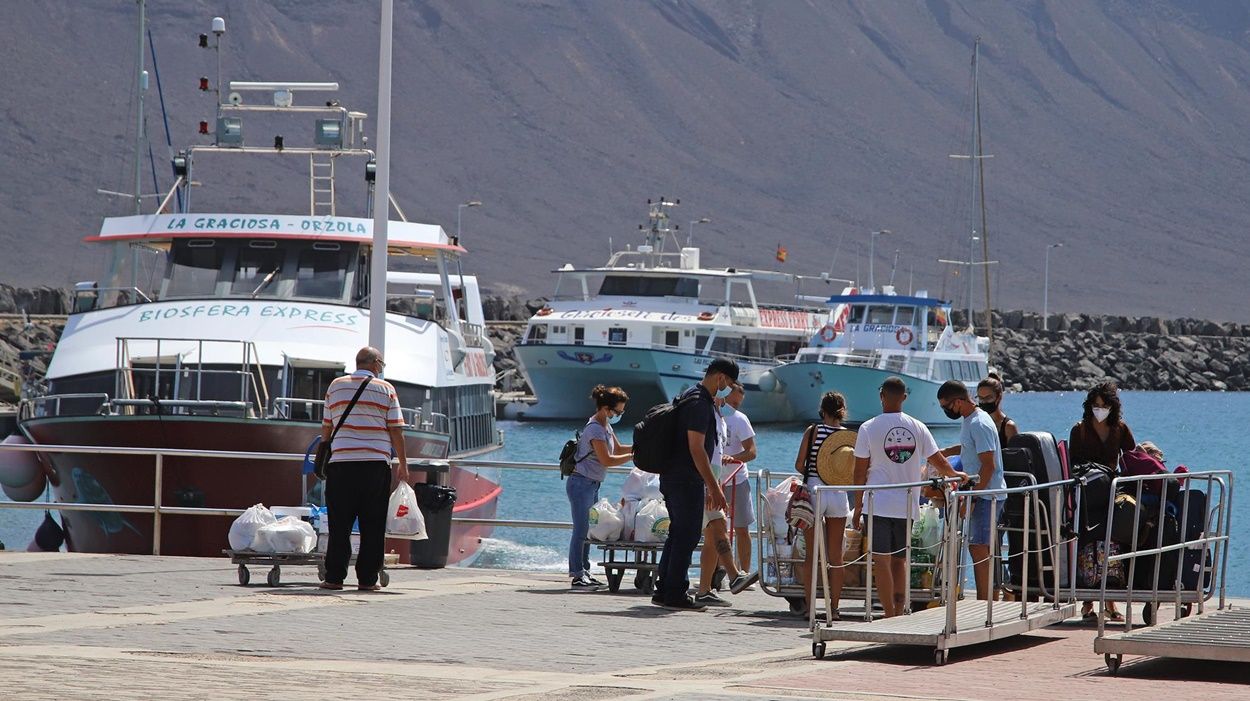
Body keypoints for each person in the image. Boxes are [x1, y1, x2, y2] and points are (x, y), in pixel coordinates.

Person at [853, 377, 964, 617]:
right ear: (904, 397)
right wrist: (956, 474)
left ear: (881, 395)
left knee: (881, 561)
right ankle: (901, 609)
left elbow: (859, 472)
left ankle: (889, 614)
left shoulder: (868, 427)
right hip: (907, 505)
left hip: (877, 504)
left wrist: (856, 507)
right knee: (900, 561)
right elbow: (939, 461)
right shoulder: (918, 426)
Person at [319, 347, 409, 591]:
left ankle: (334, 578)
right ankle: (367, 580)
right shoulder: (386, 389)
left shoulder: (335, 386)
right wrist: (402, 462)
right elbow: (396, 430)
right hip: (374, 467)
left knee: (339, 524)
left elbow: (326, 428)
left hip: (341, 466)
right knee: (373, 524)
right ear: (376, 363)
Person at [653, 359, 736, 611]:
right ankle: (676, 593)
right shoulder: (700, 403)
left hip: (672, 474)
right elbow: (696, 448)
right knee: (687, 535)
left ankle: (664, 589)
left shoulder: (688, 395)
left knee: (678, 532)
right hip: (686, 477)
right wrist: (713, 486)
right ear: (720, 378)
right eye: (729, 384)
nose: (728, 390)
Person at [1070, 380, 1135, 621]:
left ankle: (1110, 601)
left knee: (1111, 542)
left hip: (1111, 492)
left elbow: (1130, 456)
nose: (1099, 409)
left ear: (1112, 406)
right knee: (1086, 543)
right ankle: (1088, 603)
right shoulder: (1080, 429)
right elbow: (1073, 463)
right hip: (1086, 496)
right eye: (1095, 404)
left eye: (1104, 404)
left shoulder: (1120, 428)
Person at [937, 380, 1006, 601]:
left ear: (958, 401)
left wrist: (972, 498)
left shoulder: (979, 423)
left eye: (946, 406)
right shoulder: (969, 420)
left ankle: (985, 602)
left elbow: (989, 464)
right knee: (977, 547)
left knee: (979, 548)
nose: (946, 411)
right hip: (979, 492)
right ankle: (984, 599)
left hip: (987, 495)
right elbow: (971, 447)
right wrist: (947, 451)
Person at [692, 384, 760, 606]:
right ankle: (733, 577)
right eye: (731, 402)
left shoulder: (728, 419)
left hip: (723, 480)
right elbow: (702, 452)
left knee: (714, 536)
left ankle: (706, 589)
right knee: (716, 530)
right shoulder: (708, 415)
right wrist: (713, 486)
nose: (733, 406)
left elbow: (751, 451)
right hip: (710, 481)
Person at [567, 385, 633, 589]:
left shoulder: (606, 426)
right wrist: (634, 456)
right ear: (605, 408)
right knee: (581, 529)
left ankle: (584, 571)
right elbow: (607, 459)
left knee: (587, 529)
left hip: (592, 484)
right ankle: (577, 574)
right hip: (581, 483)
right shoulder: (595, 428)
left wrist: (640, 447)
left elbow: (618, 448)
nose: (619, 415)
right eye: (617, 412)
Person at [794, 391, 853, 618]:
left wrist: (813, 471)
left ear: (823, 410)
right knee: (835, 556)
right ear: (842, 410)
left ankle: (811, 609)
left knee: (812, 555)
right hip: (838, 494)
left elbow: (800, 464)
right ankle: (835, 609)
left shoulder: (814, 431)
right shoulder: (847, 438)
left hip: (815, 492)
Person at [976, 375, 1018, 445]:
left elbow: (1015, 454)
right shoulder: (978, 423)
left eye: (988, 398)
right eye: (980, 398)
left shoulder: (1009, 427)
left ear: (999, 397)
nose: (984, 402)